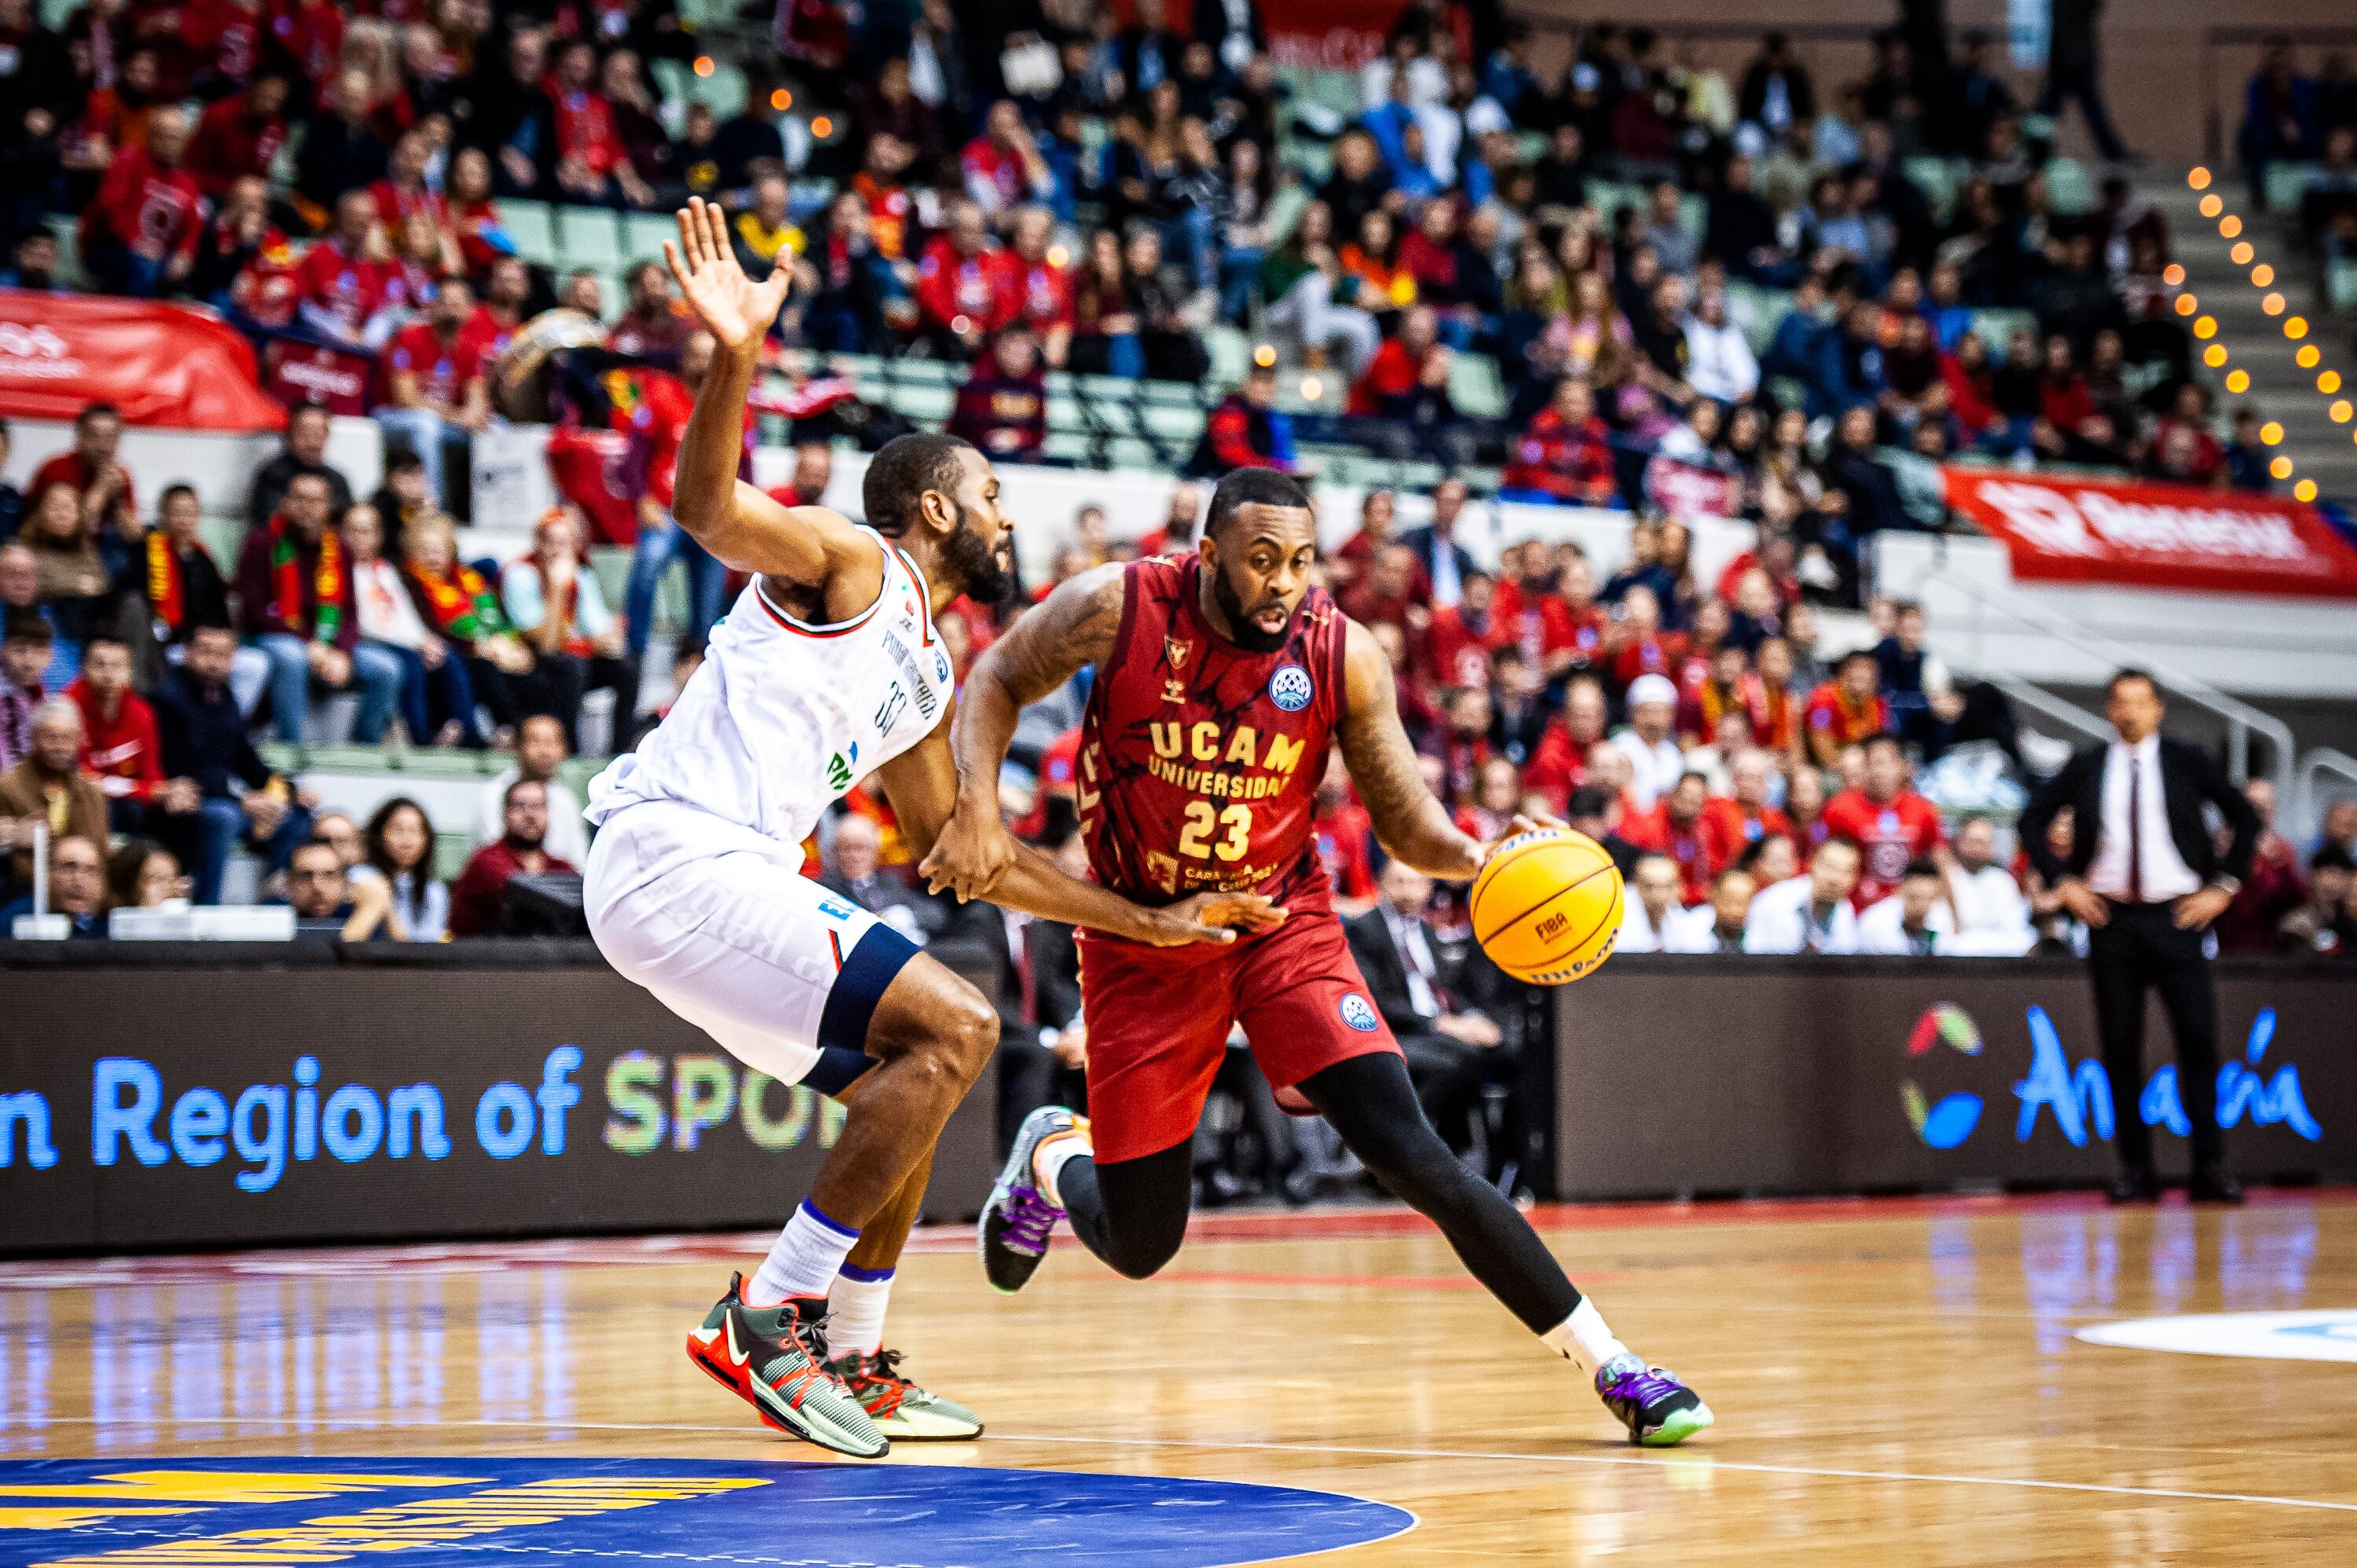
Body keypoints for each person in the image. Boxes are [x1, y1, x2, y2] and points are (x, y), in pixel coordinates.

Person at [578, 201, 1259, 1458]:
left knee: (919, 1074)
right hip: (673, 849)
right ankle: (767, 1311)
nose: (1011, 518)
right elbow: (710, 514)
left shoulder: (922, 673)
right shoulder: (853, 560)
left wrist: (1148, 920)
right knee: (961, 1023)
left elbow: (975, 862)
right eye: (993, 496)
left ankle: (853, 1351)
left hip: (706, 880)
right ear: (935, 512)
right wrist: (734, 357)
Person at [933, 465, 1715, 1447]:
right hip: (1144, 934)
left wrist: (1481, 857)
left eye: (1301, 560)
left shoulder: (1343, 654)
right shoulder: (1119, 605)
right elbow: (997, 675)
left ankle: (1620, 1370)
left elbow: (1407, 820)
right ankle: (1054, 1153)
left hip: (1280, 924)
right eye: (1261, 560)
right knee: (1141, 1244)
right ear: (1209, 553)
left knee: (1414, 1151)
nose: (1283, 581)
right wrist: (972, 798)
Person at [2018, 670, 2260, 1205]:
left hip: (2179, 918)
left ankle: (2209, 1169)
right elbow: (2031, 819)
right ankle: (2135, 1171)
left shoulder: (2186, 760)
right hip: (2112, 922)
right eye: (2121, 703)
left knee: (2199, 1042)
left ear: (2158, 709)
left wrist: (2223, 885)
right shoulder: (2086, 766)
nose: (2130, 713)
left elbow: (2244, 817)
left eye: (2141, 703)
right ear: (2109, 710)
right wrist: (2064, 883)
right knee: (2120, 1048)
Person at [150, 622, 317, 905]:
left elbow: (246, 760)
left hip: (229, 801)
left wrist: (287, 790)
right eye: (206, 652)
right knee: (222, 816)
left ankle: (278, 898)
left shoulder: (224, 697)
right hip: (179, 808)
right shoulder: (167, 699)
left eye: (223, 655)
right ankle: (206, 905)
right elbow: (179, 771)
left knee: (298, 817)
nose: (214, 663)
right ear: (186, 651)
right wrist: (243, 800)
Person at [1344, 858, 1501, 1155]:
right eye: (1400, 882)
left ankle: (1461, 1153)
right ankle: (1402, 1148)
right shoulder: (1365, 930)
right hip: (1392, 1033)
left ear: (1429, 888)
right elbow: (1374, 1000)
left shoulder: (1428, 931)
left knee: (1495, 1049)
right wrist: (1438, 1024)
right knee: (1462, 1060)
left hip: (1439, 1031)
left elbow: (1449, 991)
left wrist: (1474, 1018)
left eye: (1417, 883)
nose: (1409, 892)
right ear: (1382, 886)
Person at [237, 471, 399, 746]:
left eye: (315, 500)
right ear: (284, 502)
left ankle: (364, 748)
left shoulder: (340, 549)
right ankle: (294, 749)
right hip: (273, 636)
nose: (307, 506)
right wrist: (310, 646)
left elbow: (349, 614)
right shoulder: (261, 542)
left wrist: (343, 653)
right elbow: (254, 611)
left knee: (386, 668)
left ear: (327, 507)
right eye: (299, 498)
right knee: (292, 657)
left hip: (326, 643)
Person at [1820, 733, 1945, 910]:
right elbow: (1823, 860)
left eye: (1889, 763)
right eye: (1874, 763)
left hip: (1906, 911)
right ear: (1863, 768)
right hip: (1856, 910)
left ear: (1902, 767)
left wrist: (1954, 917)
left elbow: (1940, 863)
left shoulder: (1924, 810)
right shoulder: (1839, 808)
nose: (1881, 771)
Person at [0, 699, 108, 892]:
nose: (59, 746)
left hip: (85, 894)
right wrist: (13, 834)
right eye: (50, 737)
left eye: (67, 738)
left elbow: (101, 852)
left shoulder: (92, 794)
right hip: (26, 890)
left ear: (79, 741)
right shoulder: (7, 787)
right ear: (32, 738)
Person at [449, 777, 574, 936]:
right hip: (482, 958)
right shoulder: (486, 861)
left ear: (548, 813)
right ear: (504, 813)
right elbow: (526, 895)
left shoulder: (562, 867)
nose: (530, 815)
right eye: (520, 806)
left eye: (538, 806)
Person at [478, 714, 589, 866]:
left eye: (552, 742)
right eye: (536, 741)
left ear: (564, 750)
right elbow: (491, 859)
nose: (545, 751)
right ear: (517, 747)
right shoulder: (494, 794)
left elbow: (579, 860)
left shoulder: (565, 797)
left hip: (559, 886)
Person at [819, 811, 947, 943]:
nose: (854, 856)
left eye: (861, 847)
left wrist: (909, 916)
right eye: (847, 848)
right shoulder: (825, 889)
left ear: (875, 851)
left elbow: (936, 914)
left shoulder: (891, 882)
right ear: (834, 852)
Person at [350, 795, 448, 942]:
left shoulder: (435, 891)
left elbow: (430, 945)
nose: (407, 840)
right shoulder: (362, 876)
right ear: (379, 835)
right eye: (398, 830)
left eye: (416, 831)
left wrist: (385, 904)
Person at [1744, 837, 1864, 954]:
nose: (1834, 879)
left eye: (1845, 871)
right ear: (1811, 864)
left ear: (1855, 879)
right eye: (1829, 867)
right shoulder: (1771, 902)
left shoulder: (1845, 910)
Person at [247, 403, 355, 529]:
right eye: (305, 432)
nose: (312, 441)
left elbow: (346, 525)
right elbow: (266, 522)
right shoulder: (272, 475)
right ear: (290, 434)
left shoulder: (338, 480)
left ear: (327, 435)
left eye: (318, 433)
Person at [1944, 816, 2034, 953]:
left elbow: (2016, 929)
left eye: (1983, 842)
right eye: (1973, 841)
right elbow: (1945, 935)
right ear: (1960, 842)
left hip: (2001, 955)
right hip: (1957, 956)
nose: (1977, 848)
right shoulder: (1947, 880)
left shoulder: (2004, 881)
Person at [1857, 859, 1952, 955]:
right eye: (1914, 897)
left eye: (1928, 898)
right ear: (1899, 891)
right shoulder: (1875, 923)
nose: (1921, 905)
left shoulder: (1945, 922)